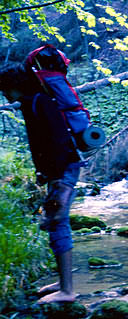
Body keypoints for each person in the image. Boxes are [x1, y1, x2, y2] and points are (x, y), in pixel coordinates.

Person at [0, 64, 81, 303]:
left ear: (15, 85)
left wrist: (58, 181)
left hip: (63, 170)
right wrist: (42, 173)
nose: (4, 94)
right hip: (57, 172)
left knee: (57, 222)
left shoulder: (40, 101)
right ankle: (62, 282)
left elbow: (59, 140)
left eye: (4, 88)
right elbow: (41, 143)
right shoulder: (30, 102)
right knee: (55, 222)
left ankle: (67, 291)